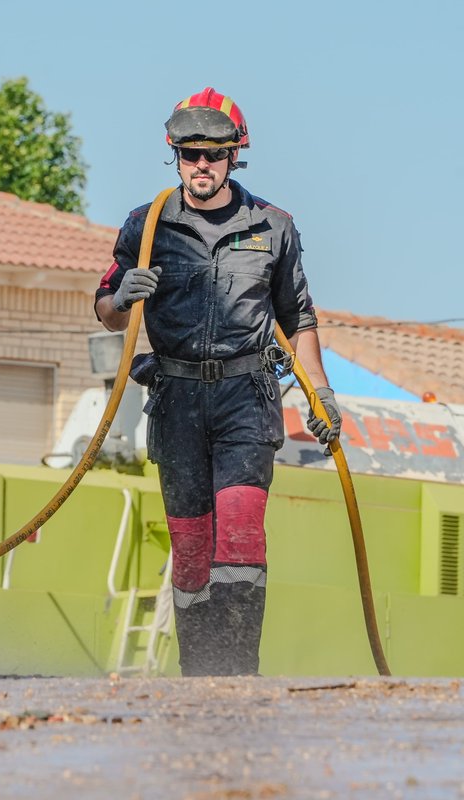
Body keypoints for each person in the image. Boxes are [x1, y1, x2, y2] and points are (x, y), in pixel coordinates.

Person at [94, 87, 341, 676]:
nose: (200, 165)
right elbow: (106, 307)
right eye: (189, 154)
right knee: (191, 551)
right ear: (175, 157)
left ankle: (237, 674)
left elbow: (297, 319)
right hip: (176, 400)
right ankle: (199, 678)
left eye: (214, 154)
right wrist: (120, 298)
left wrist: (320, 392)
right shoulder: (145, 224)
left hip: (244, 402)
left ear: (235, 156)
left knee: (239, 535)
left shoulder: (273, 227)